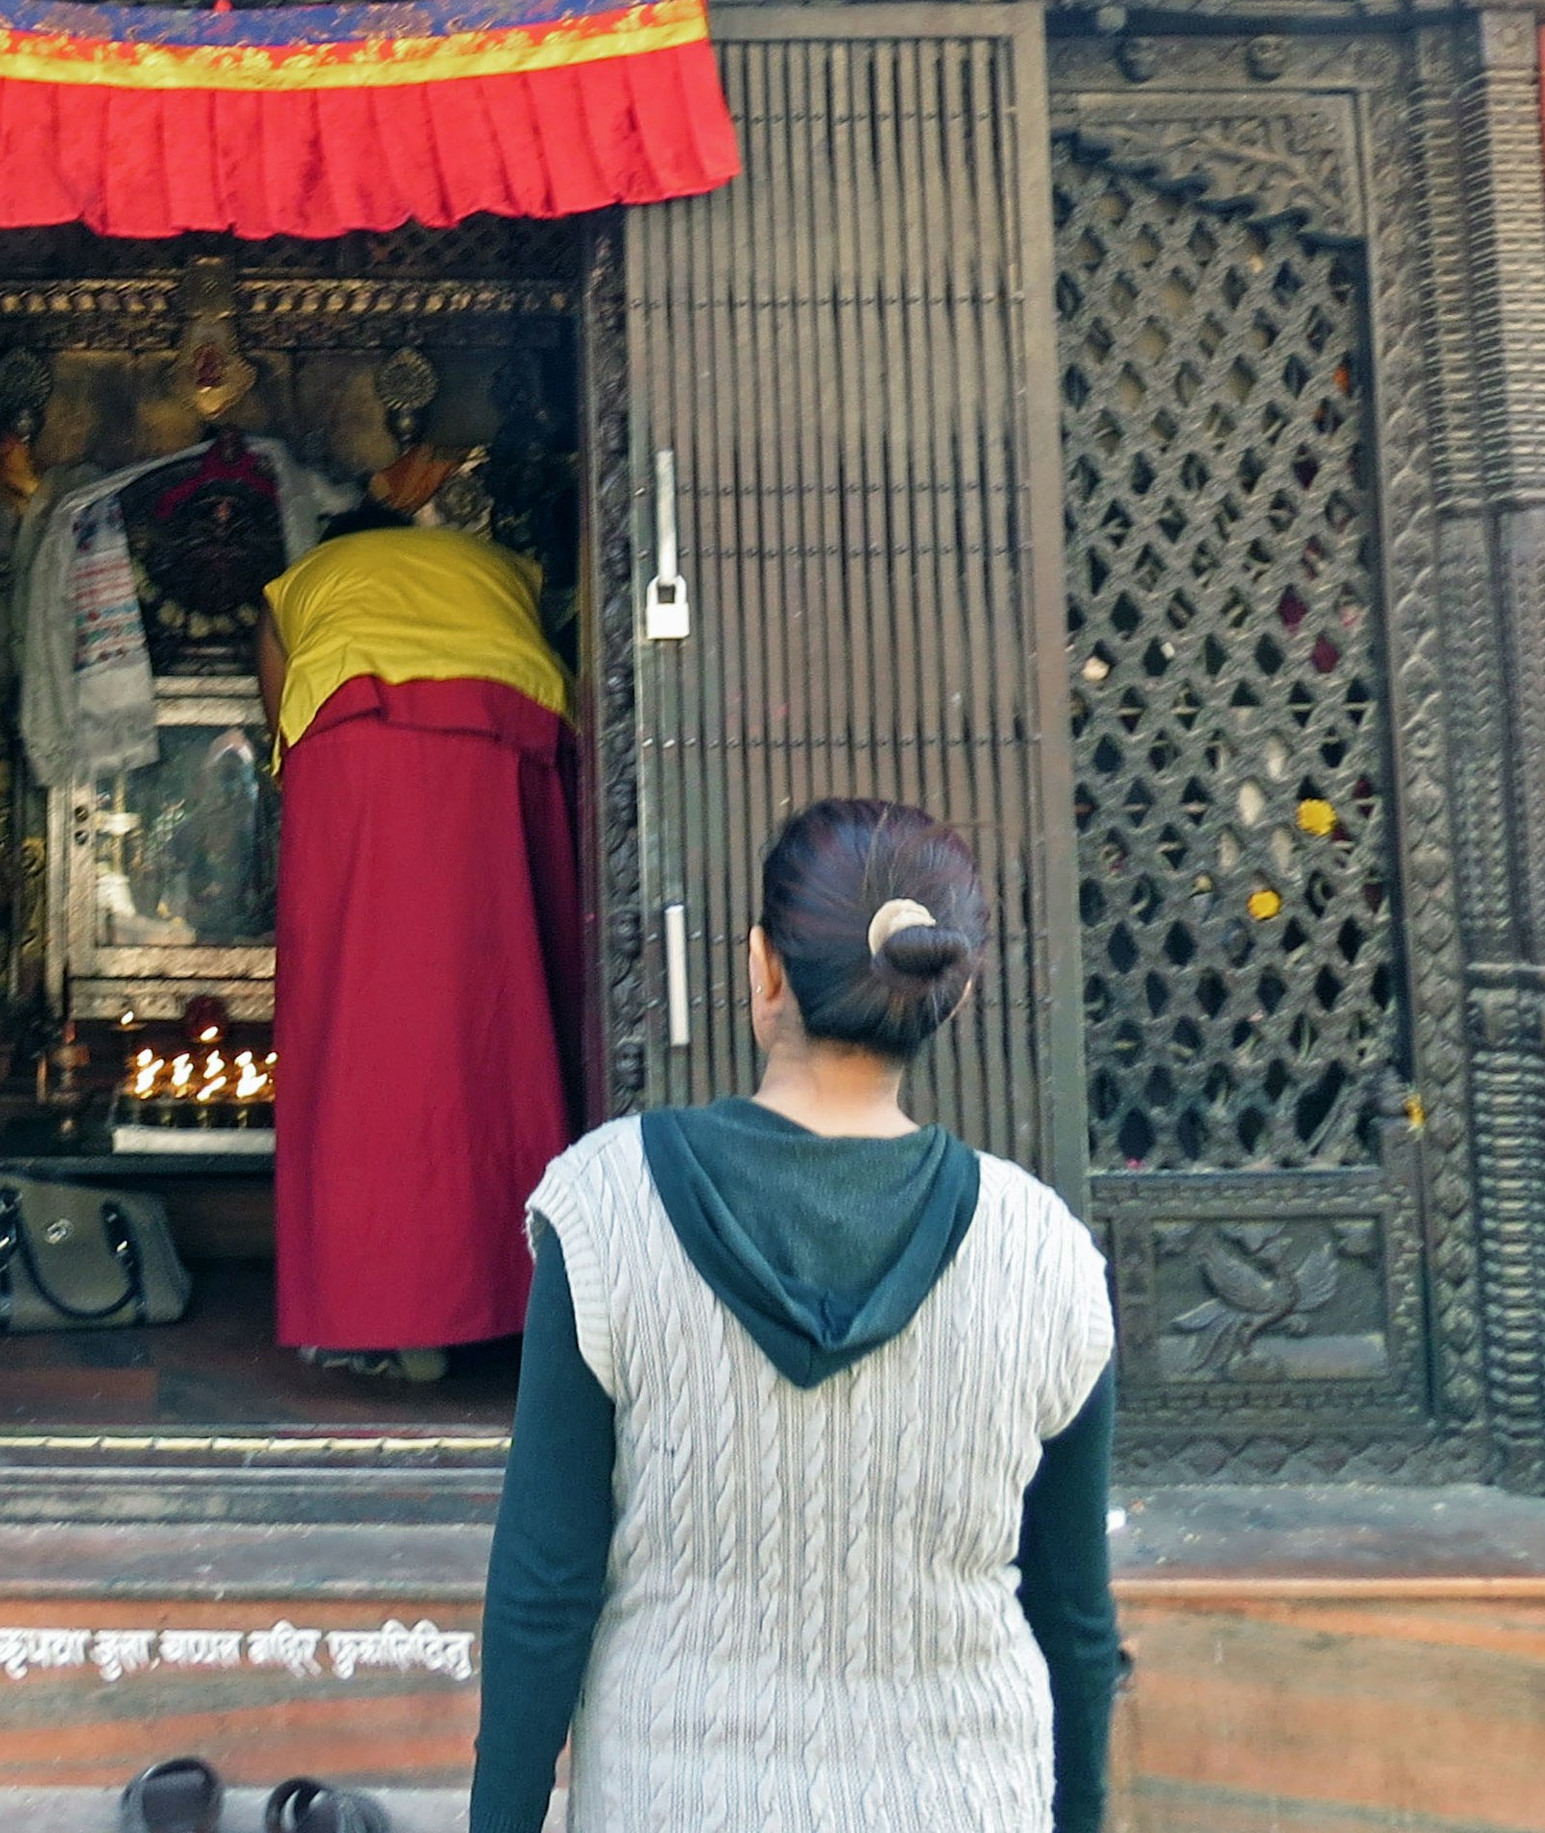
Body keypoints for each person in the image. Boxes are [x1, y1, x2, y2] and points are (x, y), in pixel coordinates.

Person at [470, 800, 1120, 1833]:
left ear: (761, 970)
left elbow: (544, 1593)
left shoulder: (608, 1212)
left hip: (672, 1798)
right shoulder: (1046, 1255)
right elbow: (1076, 1621)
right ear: (946, 996)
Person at [256, 501, 579, 1375]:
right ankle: (532, 1296)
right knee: (505, 1005)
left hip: (356, 744)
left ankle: (388, 1311)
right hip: (510, 731)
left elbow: (282, 706)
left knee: (359, 1015)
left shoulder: (301, 582)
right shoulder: (499, 567)